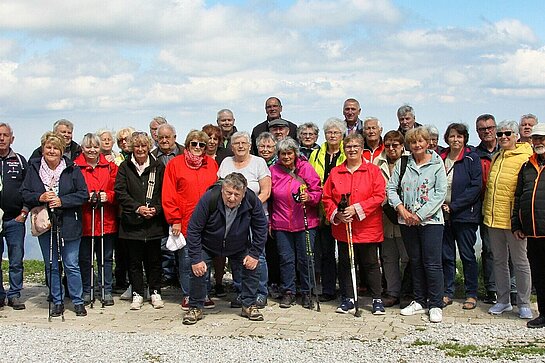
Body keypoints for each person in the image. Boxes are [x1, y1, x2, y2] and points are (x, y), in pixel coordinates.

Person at [182, 173, 268, 325]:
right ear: (222, 189)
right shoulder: (210, 198)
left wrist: (254, 254)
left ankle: (248, 305)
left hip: (238, 245)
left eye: (237, 194)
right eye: (228, 193)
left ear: (244, 193)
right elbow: (194, 229)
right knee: (197, 269)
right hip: (208, 244)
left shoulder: (252, 200)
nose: (232, 198)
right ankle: (195, 307)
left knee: (253, 265)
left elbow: (261, 227)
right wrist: (196, 258)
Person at [21, 132, 88, 317]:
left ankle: (77, 301)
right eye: (48, 147)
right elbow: (24, 192)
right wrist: (39, 197)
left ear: (62, 151)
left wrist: (62, 201)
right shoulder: (33, 168)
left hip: (69, 221)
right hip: (45, 222)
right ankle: (57, 300)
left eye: (56, 148)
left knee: (71, 263)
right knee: (51, 263)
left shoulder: (72, 169)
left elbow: (83, 194)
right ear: (43, 149)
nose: (52, 151)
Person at [387, 127, 447, 323]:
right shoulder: (404, 163)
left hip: (431, 222)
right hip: (407, 221)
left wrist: (419, 215)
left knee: (432, 262)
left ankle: (436, 303)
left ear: (428, 142)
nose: (417, 145)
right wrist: (401, 209)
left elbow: (440, 193)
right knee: (415, 260)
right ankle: (419, 300)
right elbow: (391, 188)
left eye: (421, 141)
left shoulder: (437, 164)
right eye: (413, 142)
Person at [322, 133, 385, 315]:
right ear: (344, 148)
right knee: (345, 263)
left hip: (367, 227)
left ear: (361, 148)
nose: (352, 150)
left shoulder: (372, 171)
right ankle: (348, 298)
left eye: (355, 146)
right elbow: (327, 197)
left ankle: (376, 299)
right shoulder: (336, 172)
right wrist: (338, 214)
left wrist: (357, 208)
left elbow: (379, 195)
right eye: (348, 146)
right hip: (344, 227)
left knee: (370, 263)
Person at [162, 130, 218, 311]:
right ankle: (189, 295)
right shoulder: (175, 164)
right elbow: (169, 194)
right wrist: (175, 219)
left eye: (202, 145)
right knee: (187, 260)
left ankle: (204, 293)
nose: (198, 148)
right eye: (194, 144)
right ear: (187, 145)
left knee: (206, 260)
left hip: (209, 221)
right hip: (185, 220)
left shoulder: (211, 164)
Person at [482, 120, 533, 319]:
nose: (503, 137)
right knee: (499, 261)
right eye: (501, 134)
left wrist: (520, 220)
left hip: (514, 221)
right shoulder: (496, 157)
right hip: (494, 219)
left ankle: (524, 302)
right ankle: (503, 300)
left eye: (508, 134)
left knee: (520, 262)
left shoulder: (526, 157)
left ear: (516, 136)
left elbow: (525, 190)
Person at [114, 131, 168, 311]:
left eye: (143, 146)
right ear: (131, 148)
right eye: (136, 146)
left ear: (148, 147)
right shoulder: (124, 167)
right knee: (134, 262)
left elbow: (164, 191)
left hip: (153, 222)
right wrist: (137, 207)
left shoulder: (158, 166)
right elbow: (120, 192)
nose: (140, 149)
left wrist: (157, 209)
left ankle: (155, 291)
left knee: (154, 261)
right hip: (132, 222)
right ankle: (137, 293)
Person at [218, 131, 271, 308]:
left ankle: (260, 292)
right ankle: (241, 291)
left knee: (257, 256)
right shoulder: (226, 163)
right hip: (232, 218)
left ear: (250, 145)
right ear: (231, 146)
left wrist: (249, 208)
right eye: (236, 143)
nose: (240, 146)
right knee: (235, 255)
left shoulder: (259, 162)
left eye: (244, 143)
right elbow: (220, 189)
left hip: (254, 217)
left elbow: (266, 191)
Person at [270, 137, 322, 308]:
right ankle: (289, 291)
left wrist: (310, 197)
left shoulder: (305, 168)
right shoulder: (273, 170)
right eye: (283, 153)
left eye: (289, 153)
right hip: (281, 222)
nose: (286, 156)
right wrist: (270, 221)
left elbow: (317, 190)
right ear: (278, 154)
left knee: (306, 259)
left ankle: (307, 292)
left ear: (295, 153)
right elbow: (269, 197)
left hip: (305, 221)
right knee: (286, 259)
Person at [439, 123, 482, 310]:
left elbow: (475, 187)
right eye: (452, 136)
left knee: (467, 255)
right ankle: (447, 292)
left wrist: (454, 206)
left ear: (465, 139)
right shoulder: (440, 158)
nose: (455, 140)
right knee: (446, 255)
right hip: (442, 216)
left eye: (459, 136)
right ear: (446, 138)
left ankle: (471, 293)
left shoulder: (472, 158)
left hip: (465, 215)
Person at [74, 133, 118, 307]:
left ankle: (106, 290)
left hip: (106, 218)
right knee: (85, 258)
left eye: (95, 147)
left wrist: (109, 196)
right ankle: (87, 289)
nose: (92, 150)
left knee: (106, 257)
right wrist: (85, 197)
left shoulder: (110, 167)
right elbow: (72, 189)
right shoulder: (75, 167)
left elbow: (118, 189)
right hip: (85, 220)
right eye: (88, 147)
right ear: (82, 148)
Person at [309, 118, 347, 302]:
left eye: (336, 133)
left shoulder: (346, 153)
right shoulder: (316, 154)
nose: (332, 136)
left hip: (340, 207)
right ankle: (328, 288)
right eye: (329, 132)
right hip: (320, 207)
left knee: (343, 249)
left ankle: (346, 288)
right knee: (325, 251)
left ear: (342, 135)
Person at [512, 122, 545, 328]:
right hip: (533, 231)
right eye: (536, 138)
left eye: (542, 138)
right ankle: (543, 313)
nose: (539, 142)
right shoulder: (527, 165)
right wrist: (517, 223)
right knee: (540, 275)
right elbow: (519, 196)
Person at [374, 130, 410, 308]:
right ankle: (392, 292)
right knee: (388, 257)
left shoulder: (410, 161)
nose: (391, 148)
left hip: (407, 215)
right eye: (387, 145)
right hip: (385, 216)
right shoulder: (377, 162)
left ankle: (408, 292)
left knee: (407, 257)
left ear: (402, 146)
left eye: (395, 145)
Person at [0, 123, 29, 310]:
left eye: (5, 135)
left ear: (12, 138)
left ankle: (15, 294)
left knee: (16, 260)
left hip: (15, 219)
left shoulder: (19, 160)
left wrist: (25, 211)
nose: (1, 138)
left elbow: (29, 187)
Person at [473, 114, 500, 304]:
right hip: (482, 206)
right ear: (477, 132)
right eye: (482, 129)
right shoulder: (475, 154)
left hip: (503, 207)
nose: (487, 131)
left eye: (490, 128)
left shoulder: (506, 151)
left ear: (495, 128)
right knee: (489, 249)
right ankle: (491, 288)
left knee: (509, 250)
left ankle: (511, 289)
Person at [112, 126, 135, 294]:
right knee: (120, 249)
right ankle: (120, 279)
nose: (124, 142)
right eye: (121, 140)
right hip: (120, 210)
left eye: (127, 139)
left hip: (138, 209)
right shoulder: (116, 158)